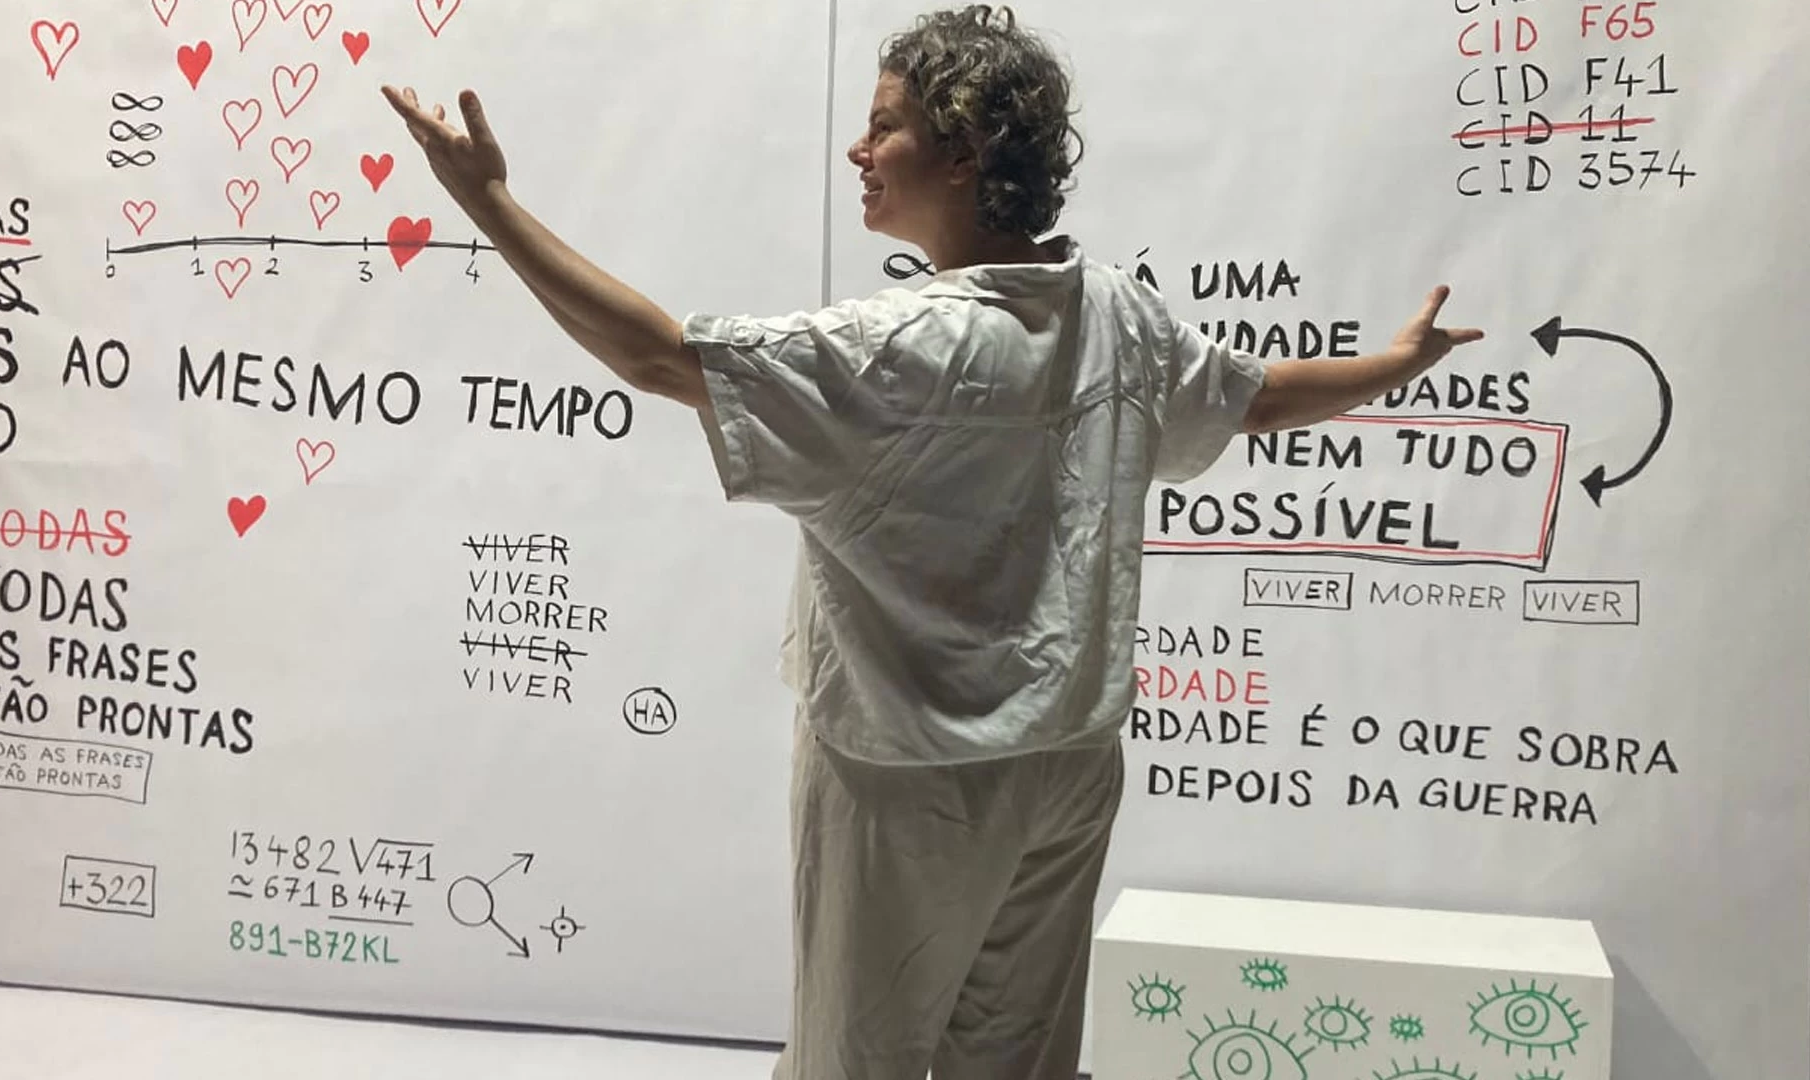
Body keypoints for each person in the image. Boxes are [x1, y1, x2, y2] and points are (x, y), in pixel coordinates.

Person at [382, 6, 1482, 1077]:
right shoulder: (1120, 316)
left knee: (860, 1058)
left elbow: (662, 356)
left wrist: (491, 206)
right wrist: (1394, 365)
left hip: (910, 777)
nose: (858, 151)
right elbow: (1257, 398)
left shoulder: (897, 347)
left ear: (965, 155)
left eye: (886, 125)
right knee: (1016, 1058)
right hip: (1070, 761)